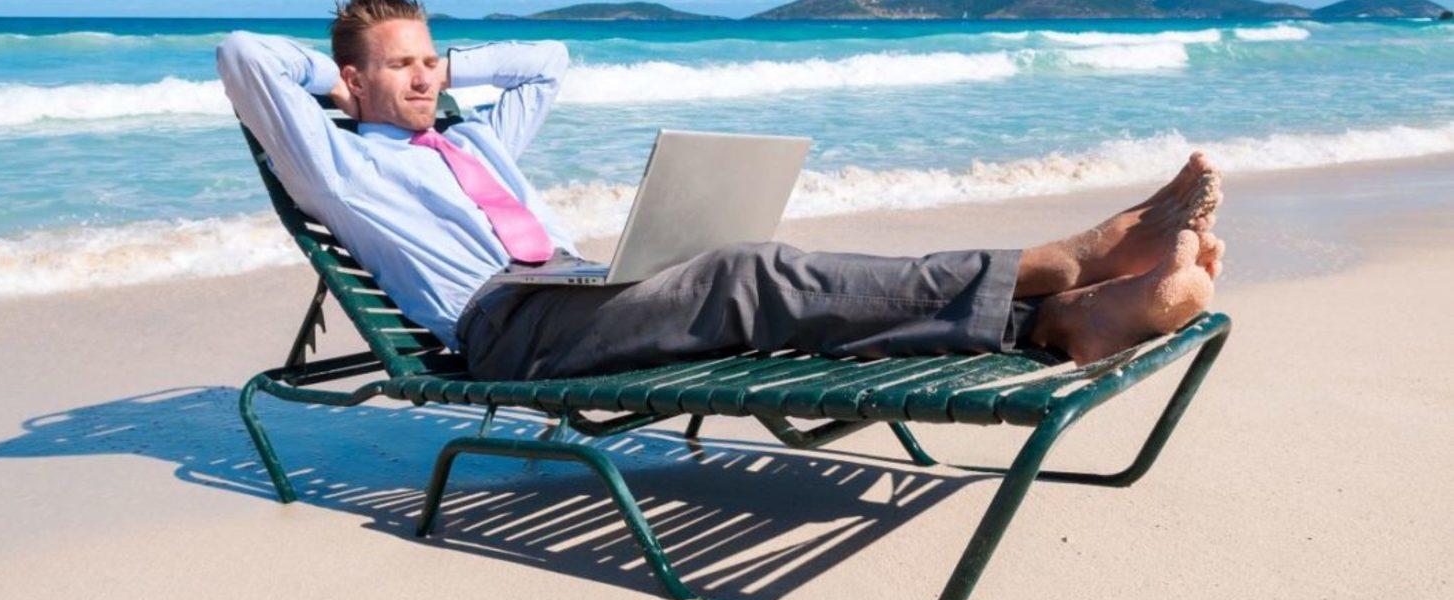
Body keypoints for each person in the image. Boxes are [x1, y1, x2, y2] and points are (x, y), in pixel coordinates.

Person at [217, 0, 1225, 382]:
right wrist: (342, 85)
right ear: (350, 81)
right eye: (401, 66)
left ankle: (1058, 321)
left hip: (575, 287)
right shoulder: (343, 163)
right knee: (750, 273)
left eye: (431, 58)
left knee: (747, 268)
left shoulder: (472, 132)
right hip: (503, 328)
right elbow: (240, 53)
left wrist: (440, 69)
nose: (425, 77)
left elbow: (548, 61)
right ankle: (1058, 266)